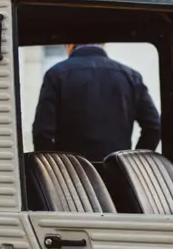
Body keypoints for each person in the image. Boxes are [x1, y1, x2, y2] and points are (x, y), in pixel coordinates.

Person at [31, 42, 161, 162]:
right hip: (116, 171)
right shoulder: (130, 76)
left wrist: (52, 167)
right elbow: (154, 127)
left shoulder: (56, 74)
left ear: (69, 44)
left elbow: (42, 132)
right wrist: (133, 162)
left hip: (71, 171)